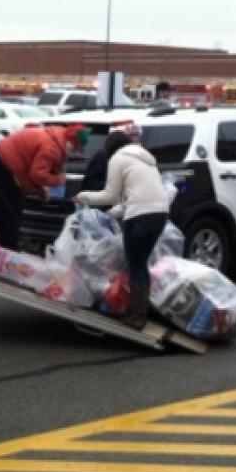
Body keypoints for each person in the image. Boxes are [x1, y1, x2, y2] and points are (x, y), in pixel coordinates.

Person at [74, 129, 169, 329]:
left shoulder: (118, 158)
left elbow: (109, 195)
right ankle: (143, 310)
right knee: (141, 264)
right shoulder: (145, 158)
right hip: (160, 214)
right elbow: (135, 195)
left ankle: (137, 317)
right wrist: (115, 212)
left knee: (135, 265)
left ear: (110, 148)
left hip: (139, 217)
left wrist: (82, 196)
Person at [0, 124, 90, 251]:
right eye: (77, 149)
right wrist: (59, 179)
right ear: (72, 144)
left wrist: (40, 189)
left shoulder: (53, 138)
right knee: (9, 210)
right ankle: (9, 252)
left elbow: (32, 170)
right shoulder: (52, 148)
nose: (75, 153)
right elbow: (38, 174)